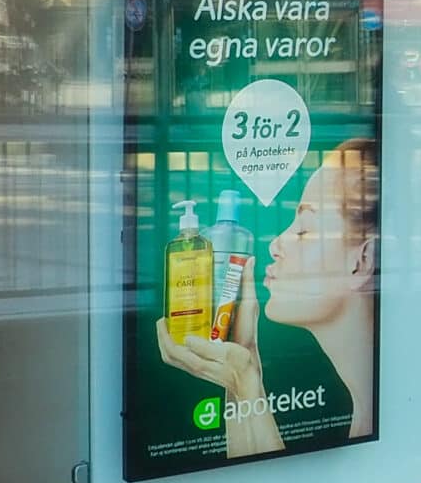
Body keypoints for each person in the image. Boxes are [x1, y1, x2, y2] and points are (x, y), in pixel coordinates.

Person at [156, 138, 382, 456]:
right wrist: (245, 371)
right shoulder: (364, 415)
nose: (275, 244)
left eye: (303, 229)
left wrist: (247, 383)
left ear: (362, 262)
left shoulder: (374, 418)